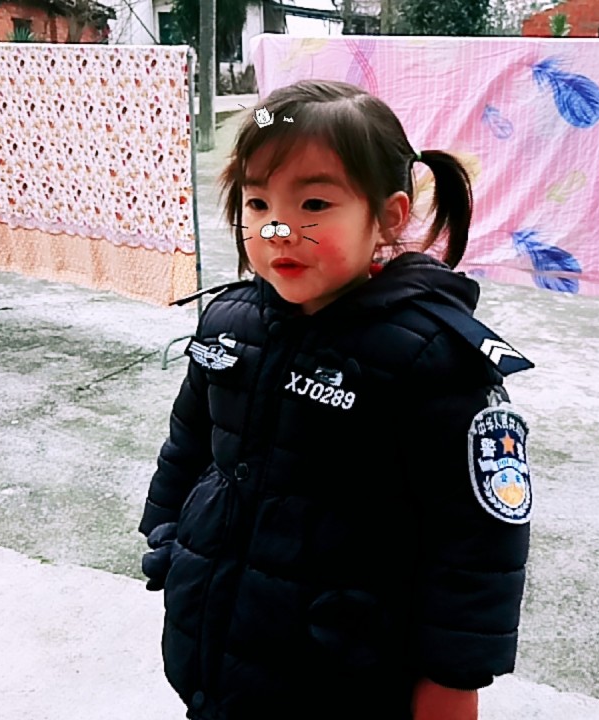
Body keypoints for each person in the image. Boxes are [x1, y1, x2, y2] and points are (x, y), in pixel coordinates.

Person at [139, 79, 534, 720]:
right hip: (219, 642)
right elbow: (189, 444)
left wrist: (452, 679)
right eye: (258, 202)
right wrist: (169, 537)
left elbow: (479, 538)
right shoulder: (229, 322)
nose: (277, 228)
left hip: (344, 672)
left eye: (314, 203)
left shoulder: (434, 359)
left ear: (389, 216)